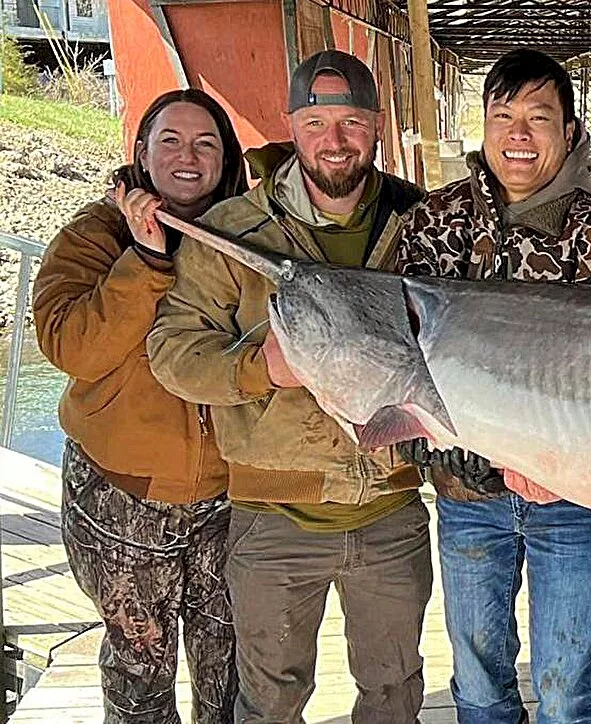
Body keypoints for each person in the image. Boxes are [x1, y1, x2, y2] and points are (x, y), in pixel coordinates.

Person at [147, 50, 431, 723]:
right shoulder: (233, 232)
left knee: (395, 697)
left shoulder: (421, 222)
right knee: (270, 703)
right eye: (315, 122)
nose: (334, 141)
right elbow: (172, 352)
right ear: (292, 125)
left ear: (378, 125)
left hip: (391, 511)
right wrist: (261, 369)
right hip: (273, 521)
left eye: (352, 122)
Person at [394, 48, 591, 724]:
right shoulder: (434, 223)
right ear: (485, 125)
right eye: (504, 116)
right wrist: (462, 455)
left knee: (568, 692)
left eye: (538, 117)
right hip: (468, 493)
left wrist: (553, 464)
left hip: (570, 498)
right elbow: (399, 360)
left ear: (571, 132)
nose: (519, 135)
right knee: (478, 684)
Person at [33, 88, 247, 723]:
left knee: (232, 667)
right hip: (124, 496)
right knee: (139, 673)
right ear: (141, 154)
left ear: (226, 157)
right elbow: (71, 347)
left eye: (206, 142)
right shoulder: (91, 236)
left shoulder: (244, 233)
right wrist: (146, 257)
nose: (189, 157)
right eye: (171, 141)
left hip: (229, 496)